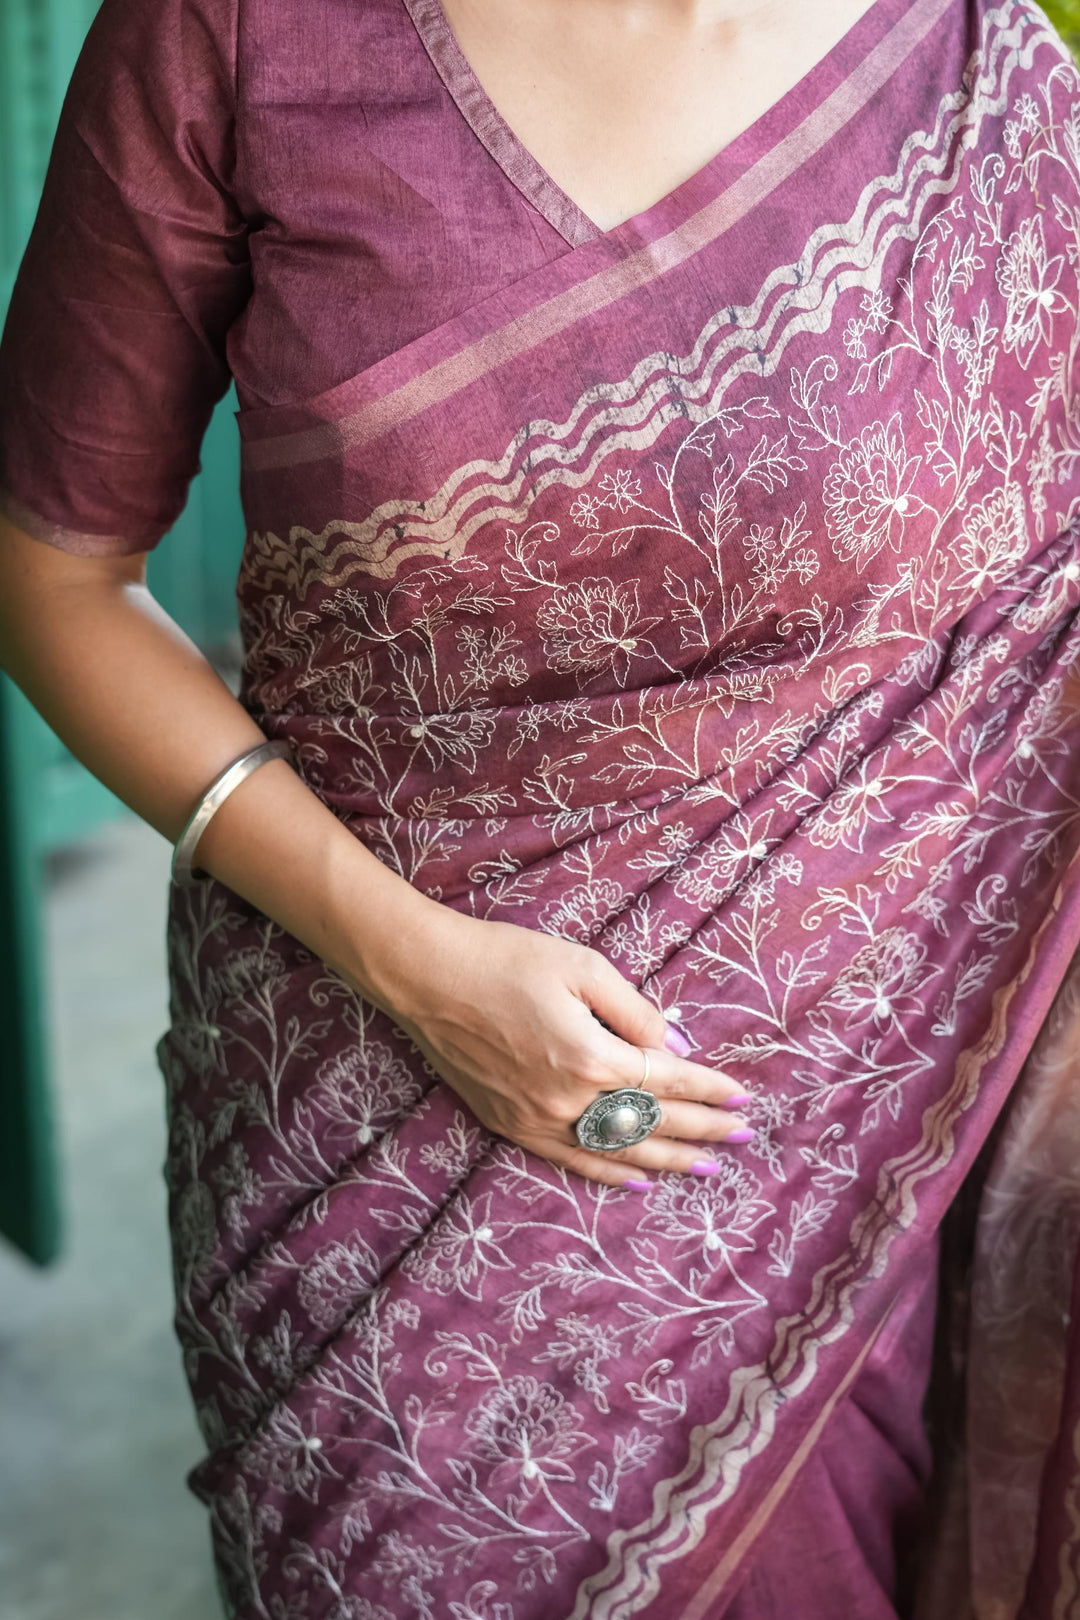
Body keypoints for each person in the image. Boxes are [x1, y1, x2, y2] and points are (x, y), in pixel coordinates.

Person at [2, 0, 1080, 1612]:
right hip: (380, 1152)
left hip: (887, 1144)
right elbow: (52, 573)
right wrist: (417, 966)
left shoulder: (983, 67)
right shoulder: (235, 35)